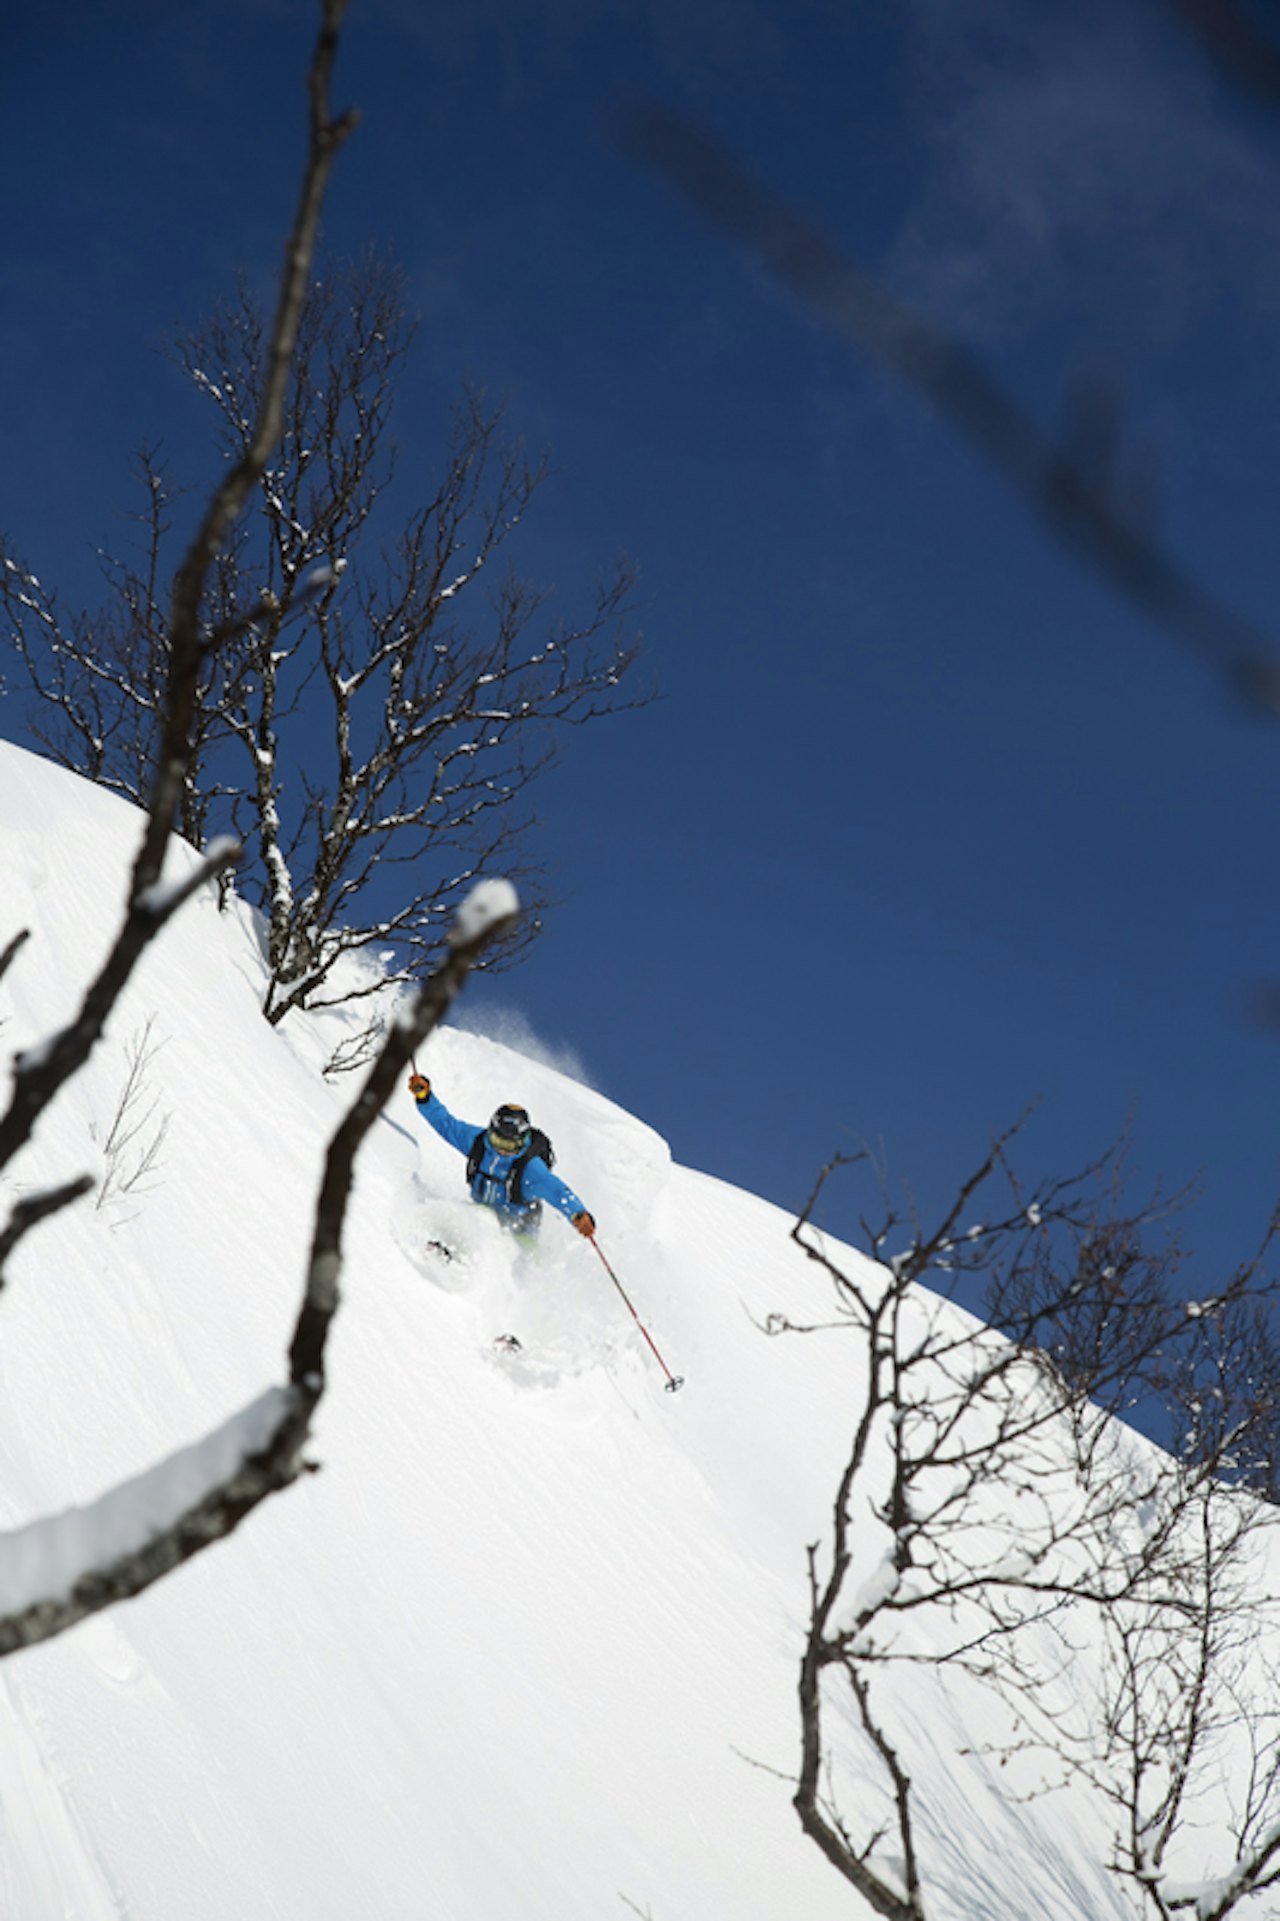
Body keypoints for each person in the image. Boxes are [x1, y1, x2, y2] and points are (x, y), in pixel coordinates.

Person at [408, 1073, 596, 1239]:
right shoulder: (478, 1142)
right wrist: (425, 1098)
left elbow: (558, 1192)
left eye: (510, 1145)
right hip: (481, 1216)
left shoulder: (531, 1169)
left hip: (521, 1231)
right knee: (475, 1218)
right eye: (498, 1141)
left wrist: (578, 1214)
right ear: (490, 1132)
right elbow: (446, 1124)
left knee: (522, 1261)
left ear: (523, 1141)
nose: (502, 1150)